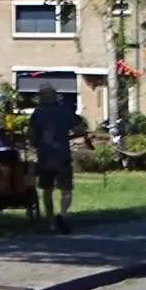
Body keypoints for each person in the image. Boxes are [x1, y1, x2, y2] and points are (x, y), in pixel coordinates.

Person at [28, 86, 92, 234]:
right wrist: (66, 137)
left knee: (47, 191)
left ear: (42, 98)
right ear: (55, 97)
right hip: (63, 155)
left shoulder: (37, 113)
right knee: (66, 189)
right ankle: (62, 214)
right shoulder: (66, 111)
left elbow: (30, 135)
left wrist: (36, 143)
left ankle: (51, 222)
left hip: (45, 156)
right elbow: (80, 130)